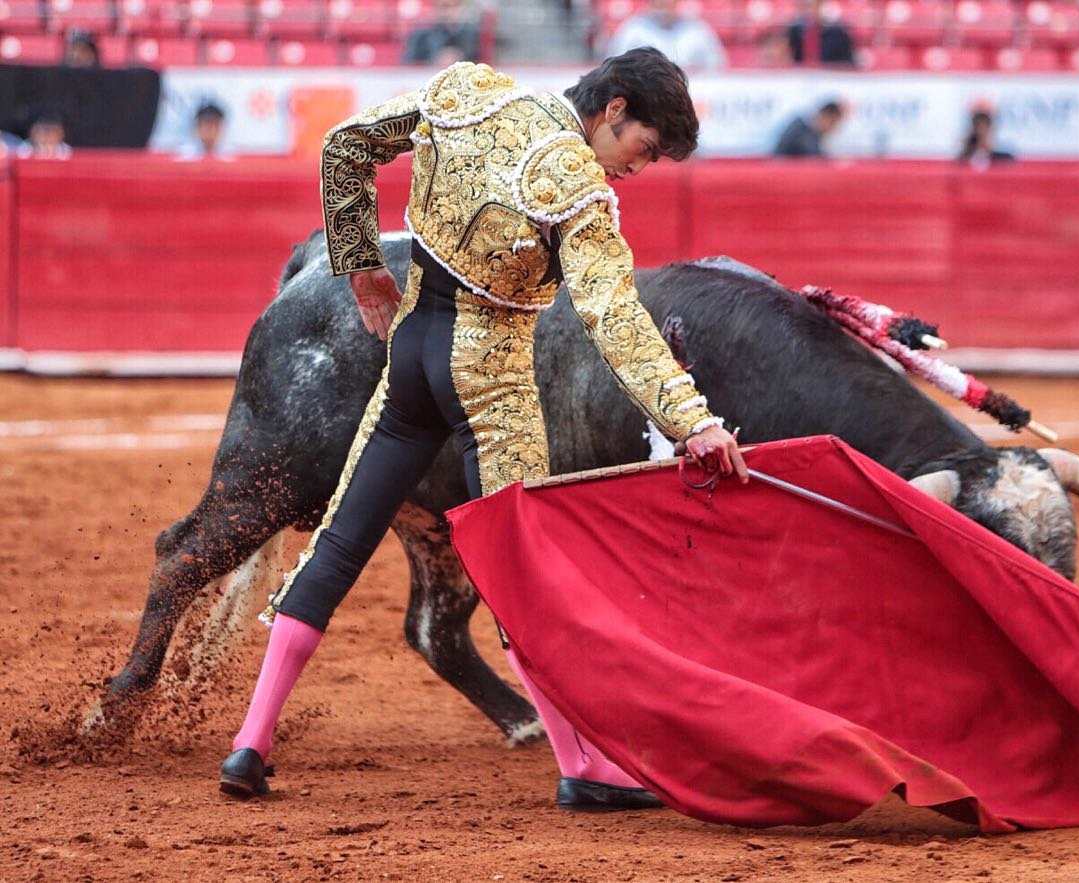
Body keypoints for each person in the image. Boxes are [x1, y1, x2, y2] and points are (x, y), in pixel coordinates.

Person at [218, 49, 748, 810]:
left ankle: (251, 741)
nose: (641, 166)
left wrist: (362, 264)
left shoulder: (467, 92)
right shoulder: (578, 186)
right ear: (615, 109)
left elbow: (345, 145)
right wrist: (691, 420)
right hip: (489, 381)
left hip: (410, 354)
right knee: (520, 572)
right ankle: (582, 765)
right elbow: (613, 316)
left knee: (339, 542)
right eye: (646, 146)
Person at [607, 0, 727, 70]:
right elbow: (614, 68)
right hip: (644, 96)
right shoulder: (632, 30)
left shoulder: (697, 30)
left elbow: (717, 67)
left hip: (691, 95)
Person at [402, 0, 480, 65]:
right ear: (435, 8)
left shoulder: (471, 33)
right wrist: (434, 60)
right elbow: (408, 64)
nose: (450, 11)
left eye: (455, 6)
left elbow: (477, 61)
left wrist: (459, 58)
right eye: (445, 6)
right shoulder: (420, 34)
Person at [787, 0, 855, 64]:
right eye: (805, 7)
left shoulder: (839, 35)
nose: (809, 11)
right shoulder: (795, 32)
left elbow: (846, 64)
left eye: (812, 6)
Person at [773, 100, 845, 157]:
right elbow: (814, 158)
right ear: (824, 115)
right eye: (832, 123)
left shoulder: (810, 132)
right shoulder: (800, 133)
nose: (833, 128)